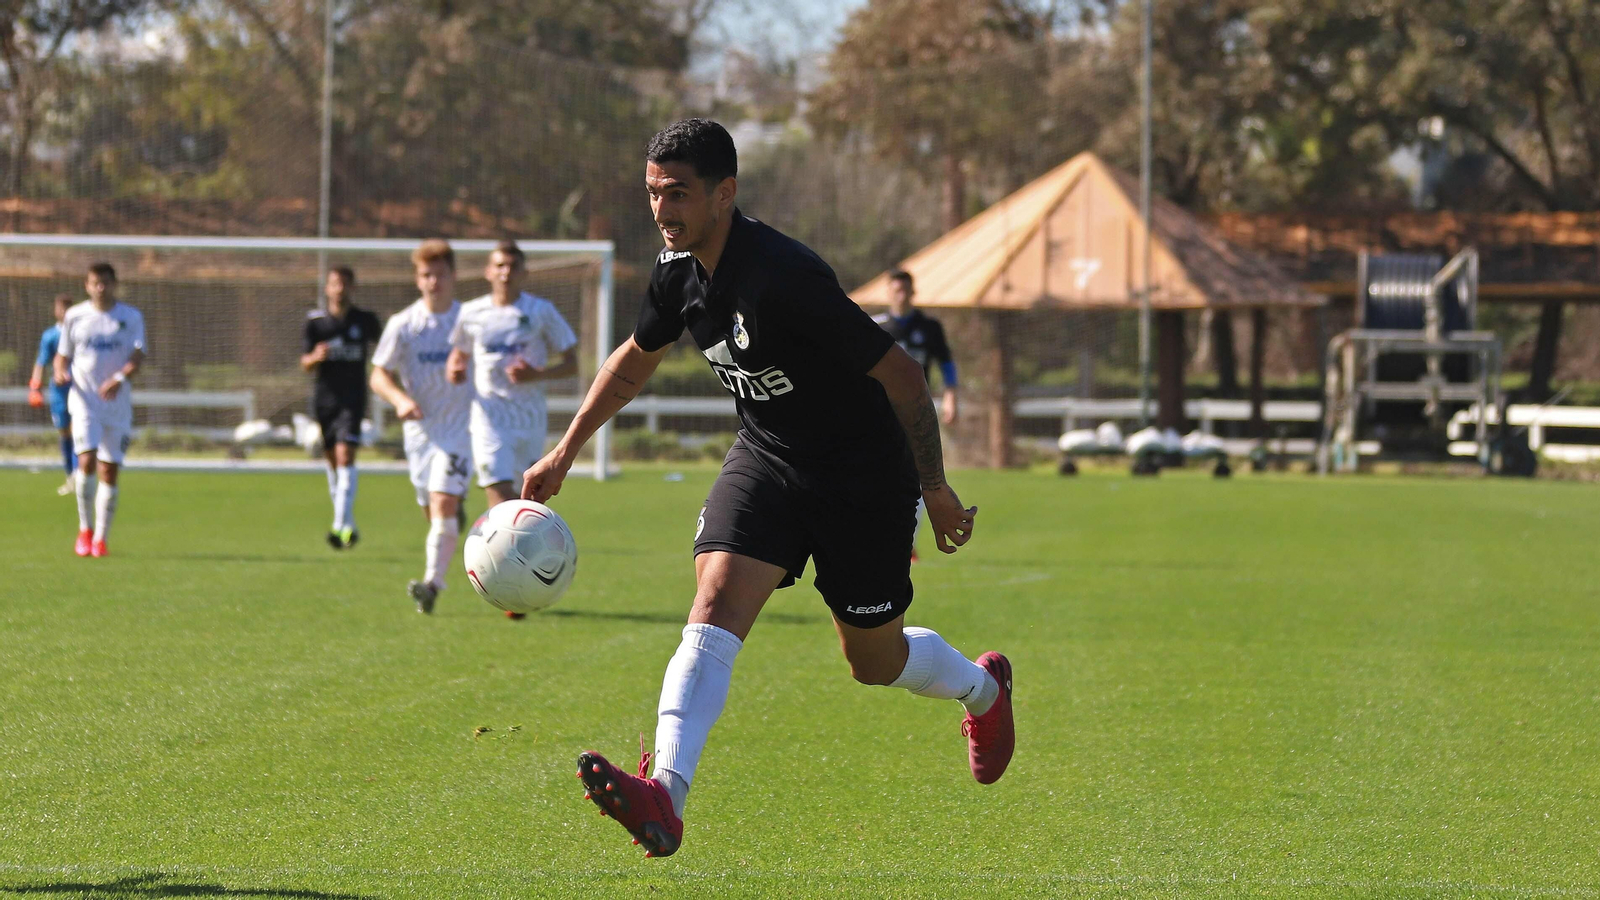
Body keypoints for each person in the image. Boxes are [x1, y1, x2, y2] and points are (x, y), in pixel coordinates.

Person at [521, 119, 1014, 858]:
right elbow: (634, 358)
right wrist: (565, 450)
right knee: (714, 599)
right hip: (768, 461)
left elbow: (903, 375)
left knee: (872, 662)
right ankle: (667, 796)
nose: (663, 210)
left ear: (726, 193)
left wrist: (934, 488)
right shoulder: (675, 273)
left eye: (678, 194)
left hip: (863, 479)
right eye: (654, 193)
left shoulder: (786, 276)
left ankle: (983, 692)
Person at [447, 240, 577, 618]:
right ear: (489, 271)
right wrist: (455, 369)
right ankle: (507, 583)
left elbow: (571, 363)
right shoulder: (471, 313)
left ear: (523, 272)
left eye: (512, 266)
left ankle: (524, 579)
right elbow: (458, 354)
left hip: (529, 421)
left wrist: (538, 373)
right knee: (501, 496)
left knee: (528, 504)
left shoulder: (540, 312)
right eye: (498, 265)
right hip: (488, 420)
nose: (505, 272)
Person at [370, 240, 474, 614]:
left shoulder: (470, 320)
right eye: (427, 275)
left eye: (441, 274)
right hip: (419, 435)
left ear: (454, 277)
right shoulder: (404, 325)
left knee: (442, 503)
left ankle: (431, 583)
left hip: (462, 431)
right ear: (418, 280)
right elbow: (378, 374)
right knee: (434, 512)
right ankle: (449, 521)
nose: (434, 282)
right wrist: (400, 400)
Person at [54, 264, 145, 558]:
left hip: (117, 406)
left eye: (105, 283)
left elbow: (137, 355)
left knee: (109, 470)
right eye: (95, 283)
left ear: (114, 284)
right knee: (87, 461)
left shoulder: (130, 317)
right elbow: (62, 355)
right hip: (84, 402)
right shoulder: (75, 316)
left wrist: (119, 378)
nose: (100, 288)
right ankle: (85, 529)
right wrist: (59, 372)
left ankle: (101, 538)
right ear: (87, 285)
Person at [873, 269, 959, 561]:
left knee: (920, 473)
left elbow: (946, 363)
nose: (901, 295)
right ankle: (872, 531)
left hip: (916, 411)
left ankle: (907, 540)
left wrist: (951, 397)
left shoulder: (929, 327)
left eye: (905, 290)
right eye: (895, 290)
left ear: (913, 292)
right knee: (876, 471)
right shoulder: (876, 325)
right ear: (888, 293)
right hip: (879, 412)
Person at [301, 266, 382, 550]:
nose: (340, 289)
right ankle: (349, 524)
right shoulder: (316, 323)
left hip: (354, 399)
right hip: (325, 401)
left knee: (345, 455)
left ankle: (337, 527)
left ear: (353, 288)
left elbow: (385, 349)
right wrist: (316, 356)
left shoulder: (365, 320)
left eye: (345, 284)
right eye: (335, 284)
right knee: (333, 463)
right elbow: (305, 364)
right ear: (327, 288)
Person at [29, 293, 77, 496]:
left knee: (79, 431)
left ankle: (79, 475)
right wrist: (34, 386)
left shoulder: (79, 333)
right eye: (61, 307)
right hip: (59, 391)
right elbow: (41, 361)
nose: (64, 311)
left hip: (79, 388)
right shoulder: (50, 335)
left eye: (68, 307)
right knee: (65, 432)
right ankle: (70, 476)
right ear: (55, 310)